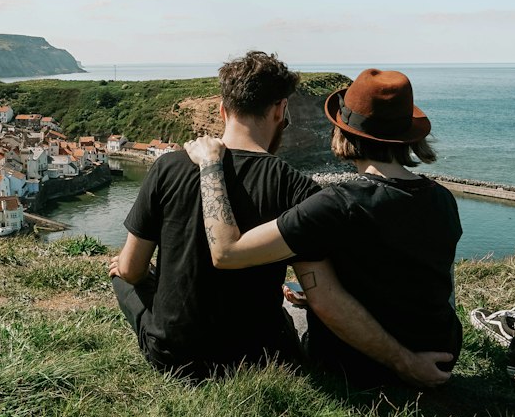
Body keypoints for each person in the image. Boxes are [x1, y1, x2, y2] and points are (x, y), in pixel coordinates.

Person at [110, 52, 436, 382]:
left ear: (223, 110)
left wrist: (143, 276)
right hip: (258, 356)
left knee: (120, 273)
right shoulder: (297, 188)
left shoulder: (168, 167)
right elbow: (323, 293)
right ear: (280, 110)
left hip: (173, 357)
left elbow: (132, 269)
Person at [183, 68, 459, 389]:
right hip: (442, 355)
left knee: (289, 311)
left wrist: (211, 164)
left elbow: (227, 251)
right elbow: (410, 277)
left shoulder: (337, 204)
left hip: (362, 368)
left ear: (344, 132)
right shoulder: (442, 199)